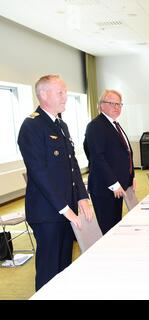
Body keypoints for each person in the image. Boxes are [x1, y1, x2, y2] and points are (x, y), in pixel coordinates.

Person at [17, 74, 93, 291]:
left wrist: (81, 197)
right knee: (49, 271)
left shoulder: (61, 125)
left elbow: (72, 164)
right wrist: (64, 208)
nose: (65, 97)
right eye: (61, 92)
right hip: (47, 213)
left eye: (65, 92)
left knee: (64, 268)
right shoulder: (31, 126)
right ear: (43, 95)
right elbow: (39, 172)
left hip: (66, 209)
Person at [83, 90, 135, 234]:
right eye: (112, 103)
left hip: (117, 187)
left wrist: (132, 176)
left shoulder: (114, 124)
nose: (117, 107)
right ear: (101, 105)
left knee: (116, 224)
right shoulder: (96, 126)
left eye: (119, 104)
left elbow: (127, 153)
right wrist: (114, 184)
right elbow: (97, 158)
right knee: (108, 229)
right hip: (105, 188)